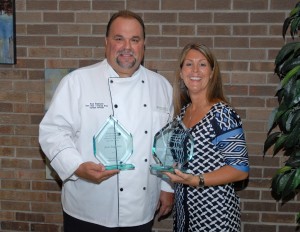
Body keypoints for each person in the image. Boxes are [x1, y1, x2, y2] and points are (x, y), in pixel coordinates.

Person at [39, 10, 174, 232]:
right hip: (88, 206)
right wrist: (76, 167)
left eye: (135, 40)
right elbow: (52, 132)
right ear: (106, 42)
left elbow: (168, 144)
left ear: (143, 45)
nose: (127, 47)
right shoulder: (77, 82)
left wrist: (168, 188)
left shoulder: (161, 87)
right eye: (119, 38)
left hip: (140, 209)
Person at [163, 43, 249, 232]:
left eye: (202, 64)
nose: (195, 70)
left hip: (215, 216)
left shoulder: (221, 114)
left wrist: (197, 180)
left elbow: (240, 169)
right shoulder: (183, 113)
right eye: (188, 64)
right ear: (180, 72)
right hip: (185, 213)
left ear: (211, 73)